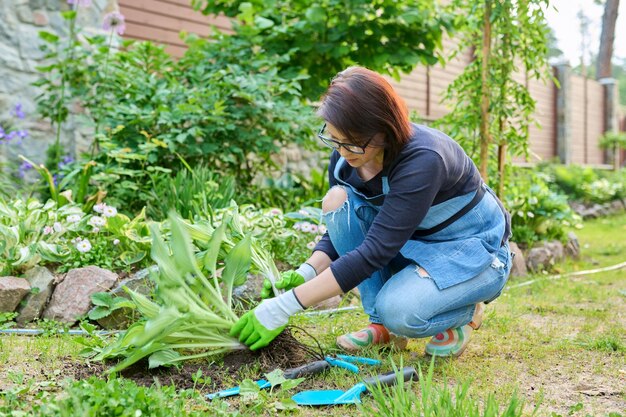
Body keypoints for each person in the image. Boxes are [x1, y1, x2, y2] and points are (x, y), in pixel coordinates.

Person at [231, 66, 512, 357]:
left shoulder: (424, 159)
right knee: (336, 200)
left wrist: (284, 306)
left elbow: (375, 251)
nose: (343, 150)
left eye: (353, 141)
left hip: (471, 250)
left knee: (401, 312)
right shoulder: (345, 159)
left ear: (384, 127)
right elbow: (343, 228)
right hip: (411, 245)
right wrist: (308, 270)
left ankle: (464, 312)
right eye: (335, 139)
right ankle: (383, 327)